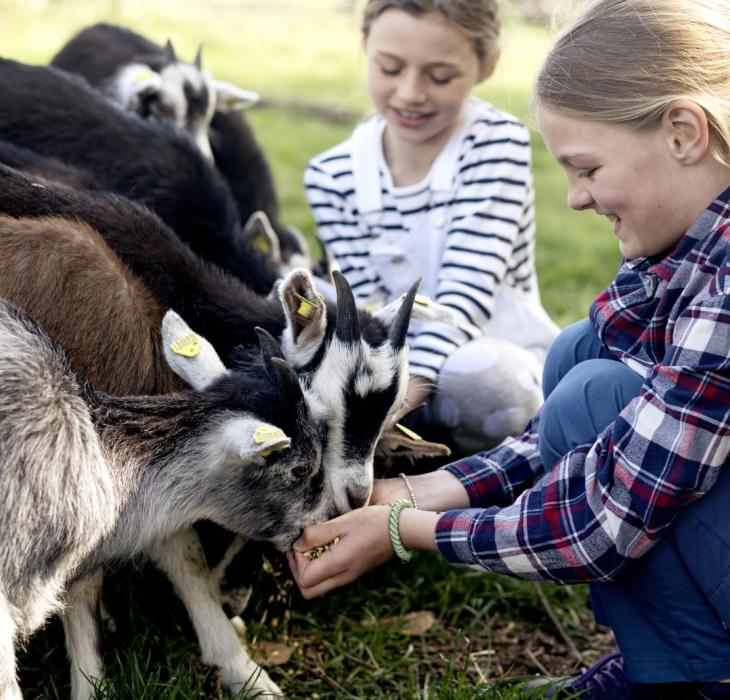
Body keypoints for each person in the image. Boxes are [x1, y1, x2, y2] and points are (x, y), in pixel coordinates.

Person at [290, 0, 730, 697]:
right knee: (582, 358)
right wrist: (427, 486)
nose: (575, 200)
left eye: (586, 168)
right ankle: (672, 667)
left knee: (590, 395)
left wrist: (410, 530)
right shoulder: (690, 248)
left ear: (682, 131)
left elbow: (601, 525)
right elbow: (639, 428)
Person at [304, 0, 559, 452]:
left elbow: (466, 296)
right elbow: (371, 311)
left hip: (492, 357)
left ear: (486, 65)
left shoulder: (496, 145)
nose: (410, 93)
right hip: (396, 371)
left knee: (486, 383)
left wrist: (391, 404)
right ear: (366, 49)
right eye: (389, 68)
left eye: (439, 76)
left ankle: (503, 461)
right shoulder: (332, 176)